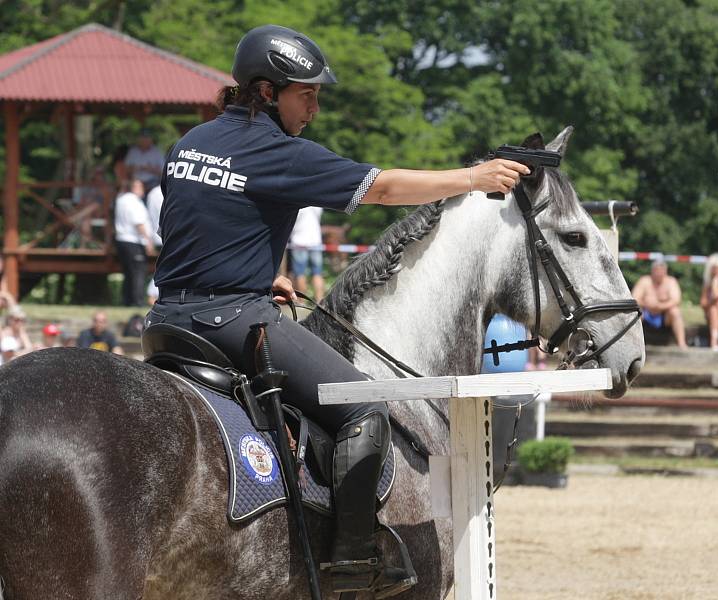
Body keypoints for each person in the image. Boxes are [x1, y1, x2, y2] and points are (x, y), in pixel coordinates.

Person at [147, 24, 529, 597]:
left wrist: (258, 272)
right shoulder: (277, 151)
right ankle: (353, 560)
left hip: (165, 325)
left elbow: (191, 225)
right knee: (365, 410)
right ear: (267, 92)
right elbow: (382, 187)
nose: (315, 108)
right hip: (233, 325)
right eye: (307, 94)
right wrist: (471, 178)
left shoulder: (190, 144)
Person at [115, 179, 155, 307]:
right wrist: (148, 240)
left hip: (121, 240)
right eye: (141, 187)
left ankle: (127, 300)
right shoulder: (134, 202)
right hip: (133, 241)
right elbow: (139, 222)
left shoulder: (121, 199)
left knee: (128, 272)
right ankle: (137, 301)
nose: (143, 190)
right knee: (138, 272)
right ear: (135, 187)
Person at [631, 259, 688, 349]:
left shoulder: (671, 282)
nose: (659, 273)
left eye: (661, 271)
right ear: (652, 271)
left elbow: (676, 300)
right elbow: (634, 298)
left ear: (665, 271)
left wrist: (659, 306)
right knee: (636, 312)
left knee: (675, 312)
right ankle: (633, 343)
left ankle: (682, 343)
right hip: (646, 314)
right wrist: (647, 304)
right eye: (656, 271)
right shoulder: (645, 281)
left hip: (664, 316)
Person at [290, 205, 326, 301]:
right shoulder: (317, 205)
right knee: (317, 273)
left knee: (300, 273)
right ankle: (319, 301)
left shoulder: (298, 203)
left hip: (299, 241)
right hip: (315, 241)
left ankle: (302, 302)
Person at [124, 129, 165, 194]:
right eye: (143, 138)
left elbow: (163, 172)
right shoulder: (133, 151)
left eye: (147, 138)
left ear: (151, 140)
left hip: (152, 184)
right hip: (136, 183)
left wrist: (150, 169)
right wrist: (135, 168)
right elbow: (125, 169)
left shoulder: (157, 152)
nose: (145, 140)